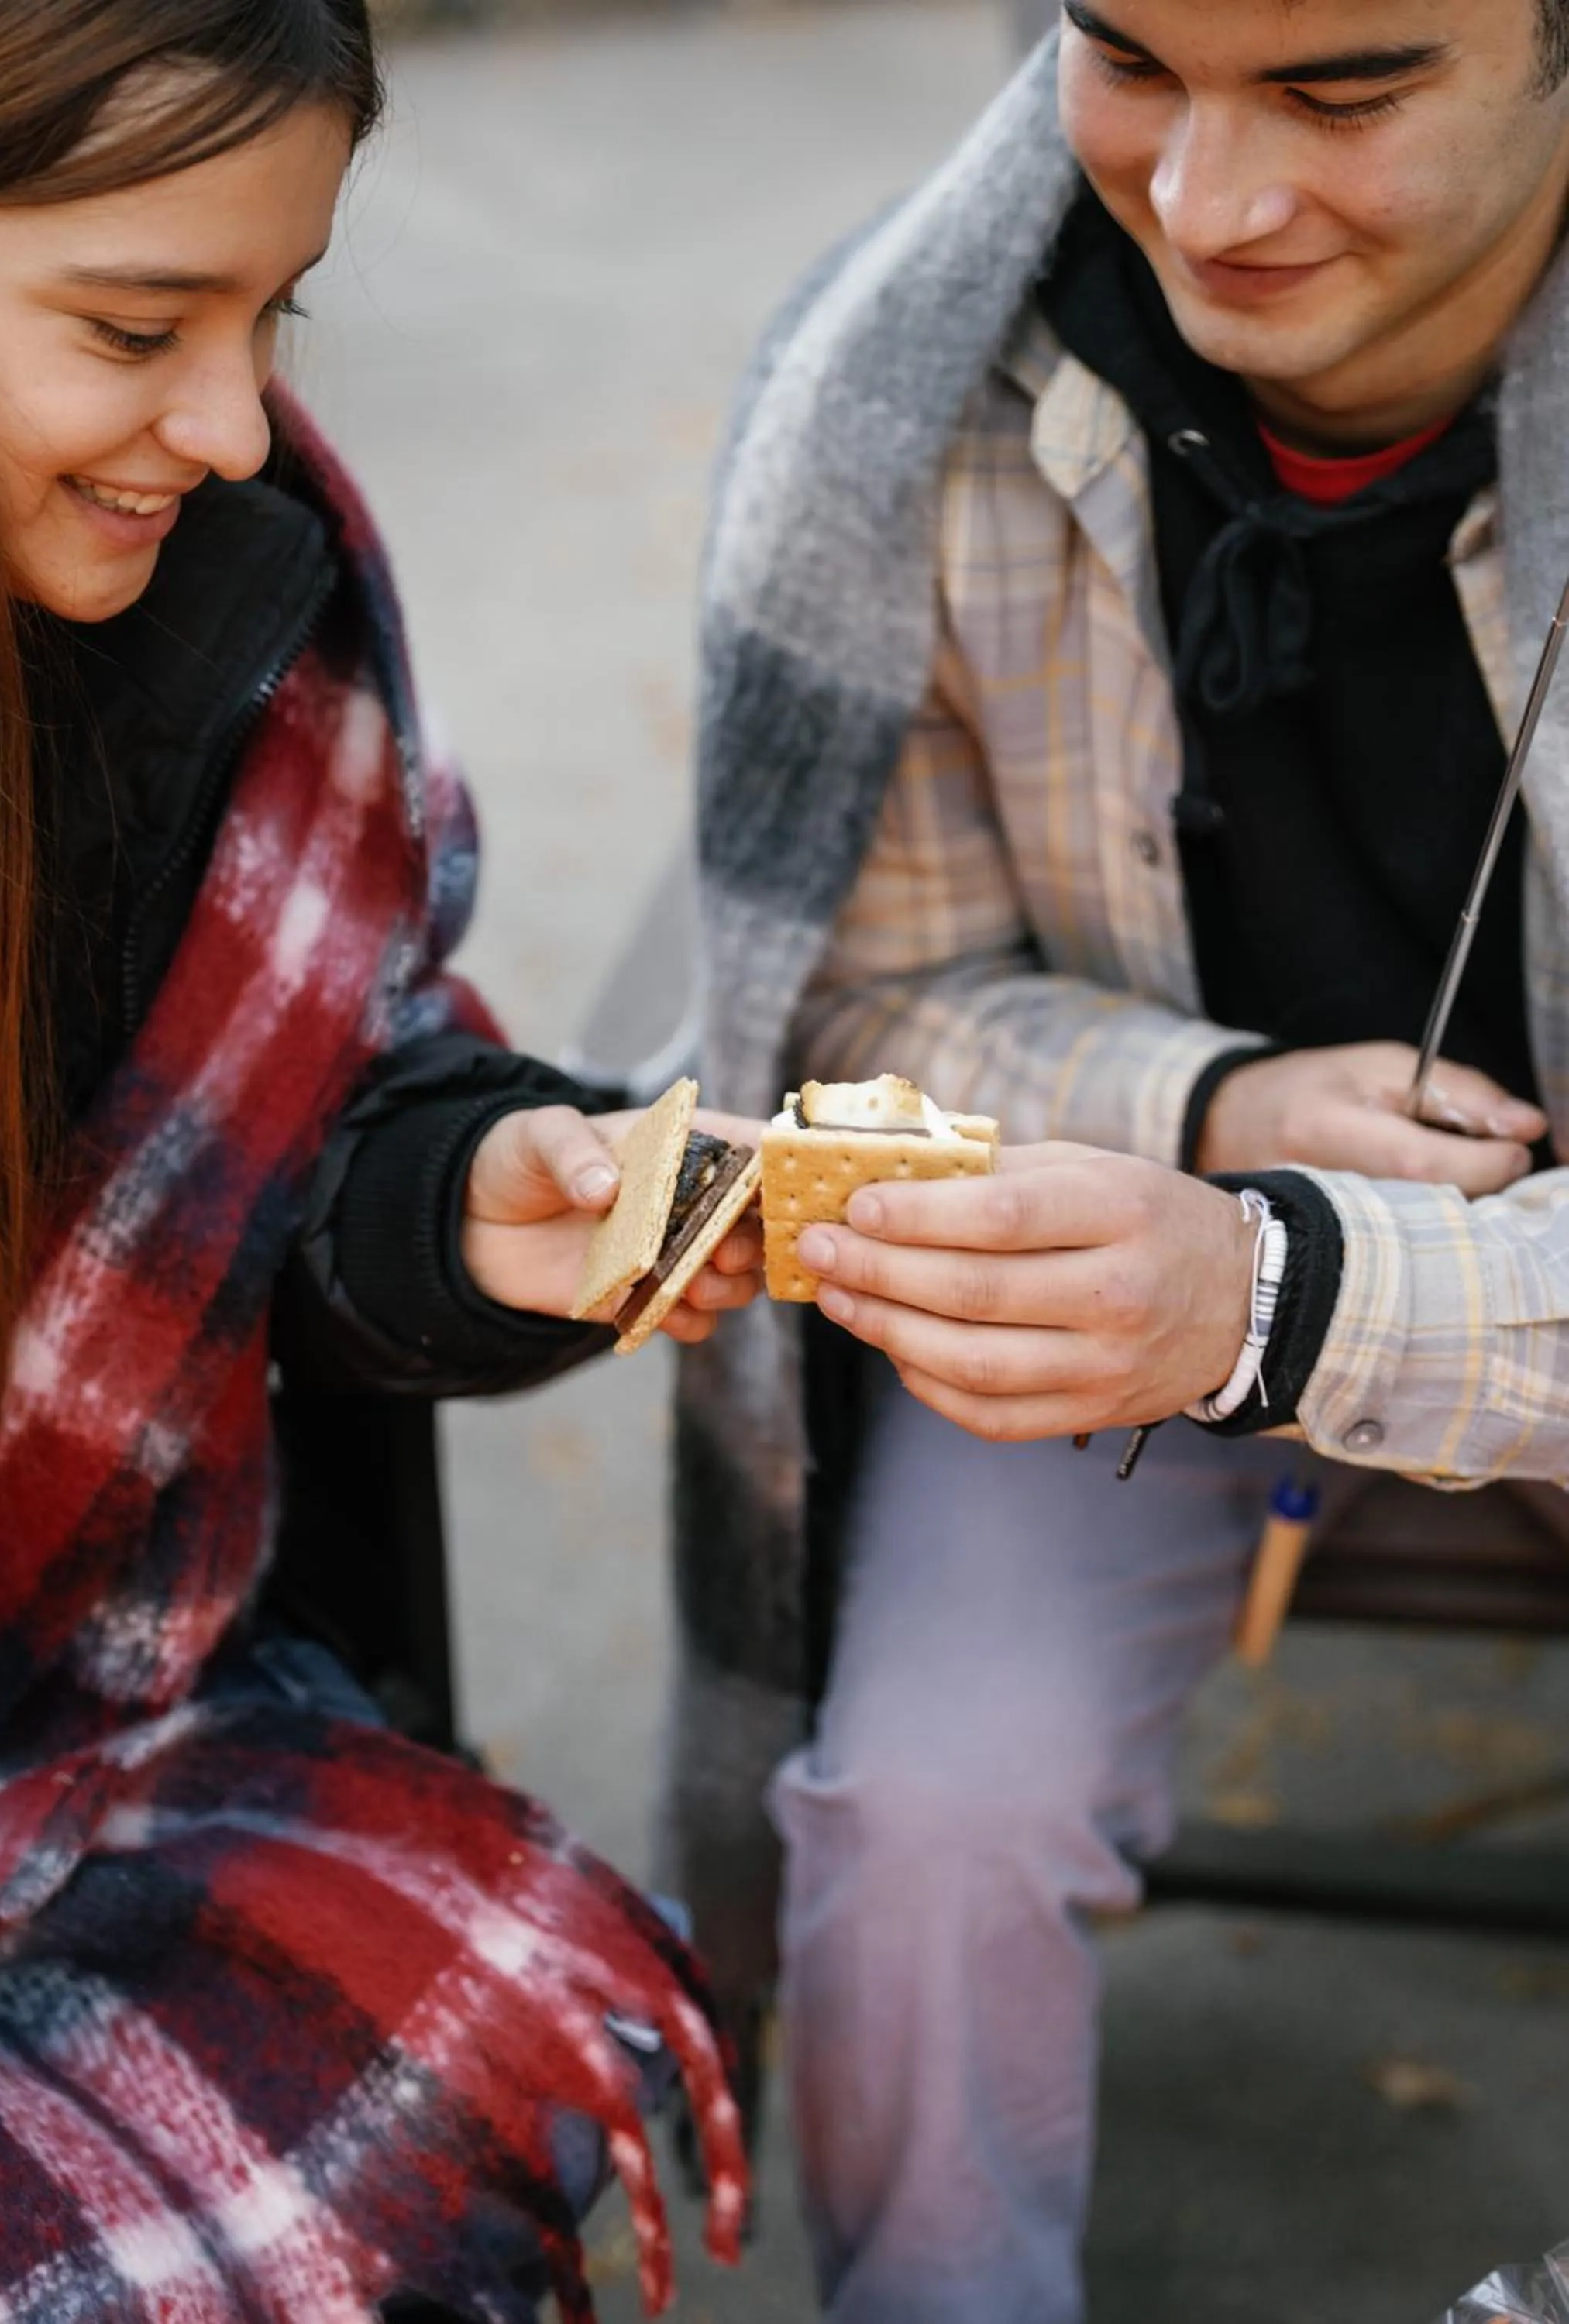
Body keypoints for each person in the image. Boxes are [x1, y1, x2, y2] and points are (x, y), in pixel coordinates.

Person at [0, 3, 755, 2317]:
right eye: (139, 323)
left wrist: (467, 1209)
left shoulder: (244, 586)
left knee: (422, 2066)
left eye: (277, 313)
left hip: (60, 1729)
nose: (238, 426)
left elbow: (325, 1080)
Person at [670, 1, 1569, 2318]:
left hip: (1368, 1295)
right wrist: (1216, 1118)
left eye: (1349, 92)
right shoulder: (907, 392)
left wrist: (1288, 1287)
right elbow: (845, 1000)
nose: (1207, 204)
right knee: (928, 1823)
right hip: (1146, 1276)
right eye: (1135, 60)